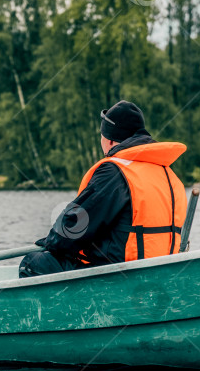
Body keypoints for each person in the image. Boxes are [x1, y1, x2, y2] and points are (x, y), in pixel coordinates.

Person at [19, 100, 187, 277]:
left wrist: (51, 242)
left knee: (33, 263)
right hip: (161, 274)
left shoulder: (115, 172)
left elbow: (74, 225)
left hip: (121, 279)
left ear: (110, 140)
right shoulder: (169, 175)